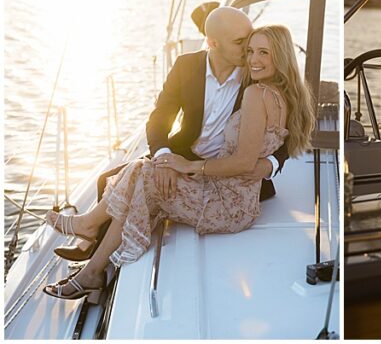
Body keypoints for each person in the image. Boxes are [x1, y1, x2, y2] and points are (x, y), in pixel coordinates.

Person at [41, 22, 315, 302]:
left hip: (230, 200)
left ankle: (92, 257)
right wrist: (169, 159)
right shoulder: (280, 93)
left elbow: (246, 161)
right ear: (213, 43)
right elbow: (160, 118)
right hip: (225, 186)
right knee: (141, 169)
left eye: (263, 53)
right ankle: (93, 254)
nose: (252, 59)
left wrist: (191, 166)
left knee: (143, 176)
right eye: (249, 50)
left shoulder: (255, 91)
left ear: (279, 56)